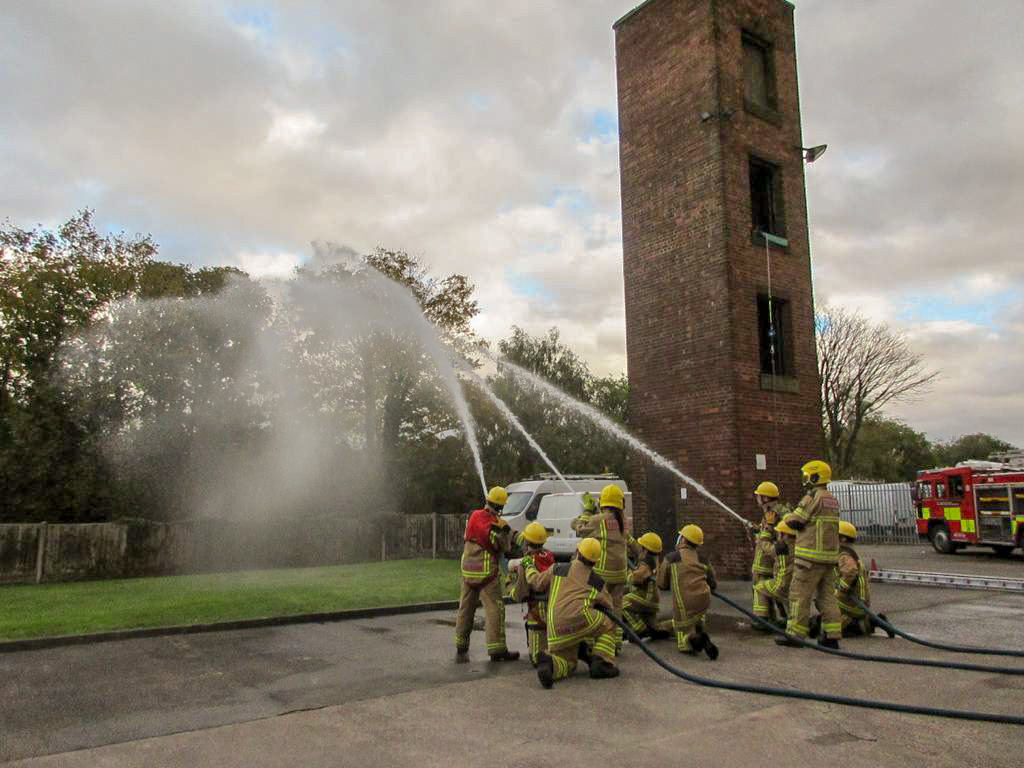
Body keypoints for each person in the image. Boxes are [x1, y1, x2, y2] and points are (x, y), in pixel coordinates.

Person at [532, 538, 620, 688]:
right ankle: (602, 662)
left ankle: (550, 664)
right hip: (581, 620)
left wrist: (529, 568)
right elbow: (609, 605)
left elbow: (537, 583)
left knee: (569, 663)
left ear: (577, 552)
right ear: (596, 561)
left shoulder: (558, 568)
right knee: (611, 623)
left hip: (554, 626)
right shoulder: (596, 581)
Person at [776, 460, 843, 649]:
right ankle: (832, 637)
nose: (805, 480)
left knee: (799, 596)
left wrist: (783, 511)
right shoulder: (832, 499)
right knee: (827, 597)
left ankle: (795, 635)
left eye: (807, 476)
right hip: (829, 559)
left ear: (815, 476)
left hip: (809, 560)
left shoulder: (812, 496)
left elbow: (796, 522)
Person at [454, 486, 519, 662]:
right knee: (494, 608)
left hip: (467, 570)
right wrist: (509, 538)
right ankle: (497, 649)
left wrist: (512, 533)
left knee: (465, 608)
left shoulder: (474, 516)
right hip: (486, 574)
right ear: (500, 506)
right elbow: (501, 544)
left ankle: (461, 643)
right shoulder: (493, 525)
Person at [575, 484, 629, 652]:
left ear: (602, 502)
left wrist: (587, 511)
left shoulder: (598, 519)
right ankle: (616, 643)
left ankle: (594, 643)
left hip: (602, 574)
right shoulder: (623, 520)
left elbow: (580, 530)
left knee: (596, 607)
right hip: (620, 574)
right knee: (616, 607)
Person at [657, 524, 718, 659]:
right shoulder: (703, 559)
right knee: (696, 620)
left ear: (683, 540)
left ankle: (695, 640)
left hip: (684, 604)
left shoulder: (671, 558)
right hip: (703, 601)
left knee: (683, 642)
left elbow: (661, 584)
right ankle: (700, 632)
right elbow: (713, 583)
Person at [833, 521, 891, 637]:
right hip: (857, 602)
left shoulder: (844, 556)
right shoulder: (848, 554)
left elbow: (851, 572)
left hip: (854, 604)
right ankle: (870, 623)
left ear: (843, 539)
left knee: (827, 609)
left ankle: (871, 622)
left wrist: (840, 590)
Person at [516, 521, 556, 665]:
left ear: (527, 542)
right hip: (552, 606)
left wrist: (511, 589)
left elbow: (522, 589)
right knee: (549, 639)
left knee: (536, 658)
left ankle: (540, 659)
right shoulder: (550, 556)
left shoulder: (527, 561)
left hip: (536, 610)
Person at [751, 481, 790, 624]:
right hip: (770, 563)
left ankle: (762, 621)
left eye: (759, 496)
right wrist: (759, 530)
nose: (757, 499)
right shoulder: (771, 514)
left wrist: (765, 532)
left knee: (765, 590)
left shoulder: (774, 515)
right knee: (772, 595)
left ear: (765, 499)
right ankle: (775, 620)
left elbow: (775, 539)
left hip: (767, 563)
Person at [621, 532, 670, 640]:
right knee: (655, 627)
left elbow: (637, 578)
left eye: (641, 547)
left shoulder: (646, 562)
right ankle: (659, 631)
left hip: (645, 598)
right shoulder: (655, 560)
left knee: (621, 603)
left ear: (646, 550)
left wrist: (629, 575)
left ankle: (639, 629)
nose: (640, 549)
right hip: (653, 600)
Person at [752, 520, 797, 631]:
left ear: (784, 534)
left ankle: (762, 620)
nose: (778, 534)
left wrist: (765, 534)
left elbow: (767, 548)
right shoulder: (797, 545)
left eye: (779, 533)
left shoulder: (782, 547)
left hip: (781, 584)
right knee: (789, 602)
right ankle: (789, 621)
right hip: (794, 583)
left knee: (759, 587)